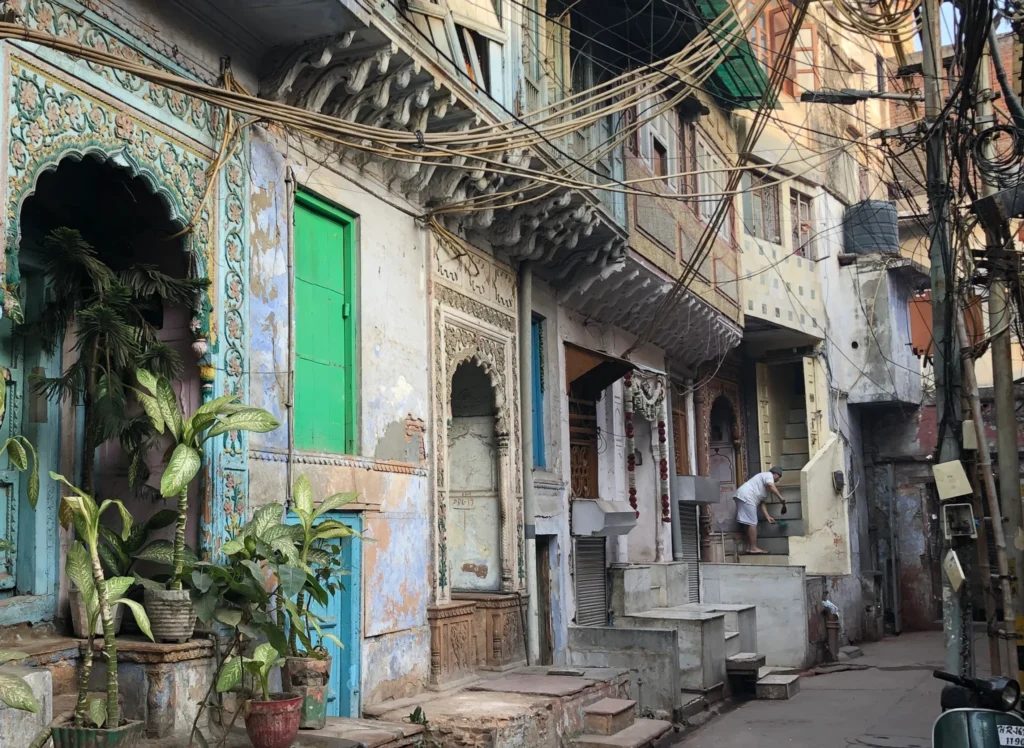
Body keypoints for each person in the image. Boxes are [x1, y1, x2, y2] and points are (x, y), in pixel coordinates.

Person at [734, 466, 786, 554]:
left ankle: (749, 547)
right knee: (752, 522)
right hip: (747, 496)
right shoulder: (768, 475)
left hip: (743, 496)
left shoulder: (765, 488)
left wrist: (768, 516)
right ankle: (753, 548)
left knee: (748, 523)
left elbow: (762, 503)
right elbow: (771, 485)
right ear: (776, 475)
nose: (777, 480)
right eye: (779, 478)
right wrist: (780, 498)